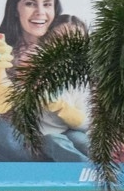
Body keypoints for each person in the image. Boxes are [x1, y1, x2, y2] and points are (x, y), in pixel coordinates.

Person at [0, 0, 62, 161]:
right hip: (16, 143)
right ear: (16, 8)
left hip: (61, 138)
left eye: (47, 4)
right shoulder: (3, 50)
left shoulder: (67, 48)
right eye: (30, 4)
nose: (40, 12)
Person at [35, 14, 92, 162]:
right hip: (39, 138)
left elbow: (86, 123)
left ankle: (103, 173)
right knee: (54, 141)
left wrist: (63, 109)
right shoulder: (32, 67)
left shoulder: (80, 79)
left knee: (83, 141)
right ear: (46, 41)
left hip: (68, 133)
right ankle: (86, 171)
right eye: (58, 40)